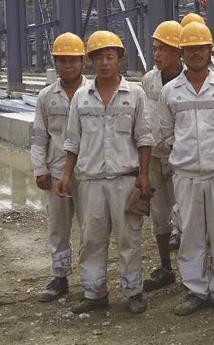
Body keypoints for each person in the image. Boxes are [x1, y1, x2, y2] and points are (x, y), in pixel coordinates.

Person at [58, 30, 153, 315]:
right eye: (98, 57)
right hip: (90, 181)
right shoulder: (81, 98)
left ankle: (133, 292)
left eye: (110, 56)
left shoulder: (135, 94)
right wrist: (66, 175)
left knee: (128, 238)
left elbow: (144, 137)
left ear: (119, 59)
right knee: (91, 238)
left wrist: (144, 175)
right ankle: (94, 292)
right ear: (90, 61)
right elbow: (72, 140)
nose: (104, 62)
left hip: (125, 178)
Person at [158, 21, 214, 315]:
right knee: (190, 233)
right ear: (181, 53)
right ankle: (196, 289)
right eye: (189, 49)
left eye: (200, 48)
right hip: (186, 174)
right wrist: (185, 153)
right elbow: (165, 131)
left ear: (209, 51)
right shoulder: (171, 91)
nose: (195, 54)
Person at [31, 32, 88, 303]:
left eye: (72, 60)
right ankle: (60, 277)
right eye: (62, 60)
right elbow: (39, 136)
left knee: (91, 227)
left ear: (82, 62)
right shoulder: (46, 96)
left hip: (88, 172)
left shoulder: (93, 92)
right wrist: (39, 169)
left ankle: (91, 278)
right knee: (58, 228)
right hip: (55, 172)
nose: (67, 65)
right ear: (55, 62)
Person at [141, 20, 183, 292]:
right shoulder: (149, 80)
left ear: (177, 51)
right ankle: (166, 267)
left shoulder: (187, 80)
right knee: (159, 215)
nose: (156, 54)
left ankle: (193, 269)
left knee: (186, 214)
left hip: (180, 156)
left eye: (163, 49)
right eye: (155, 48)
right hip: (155, 155)